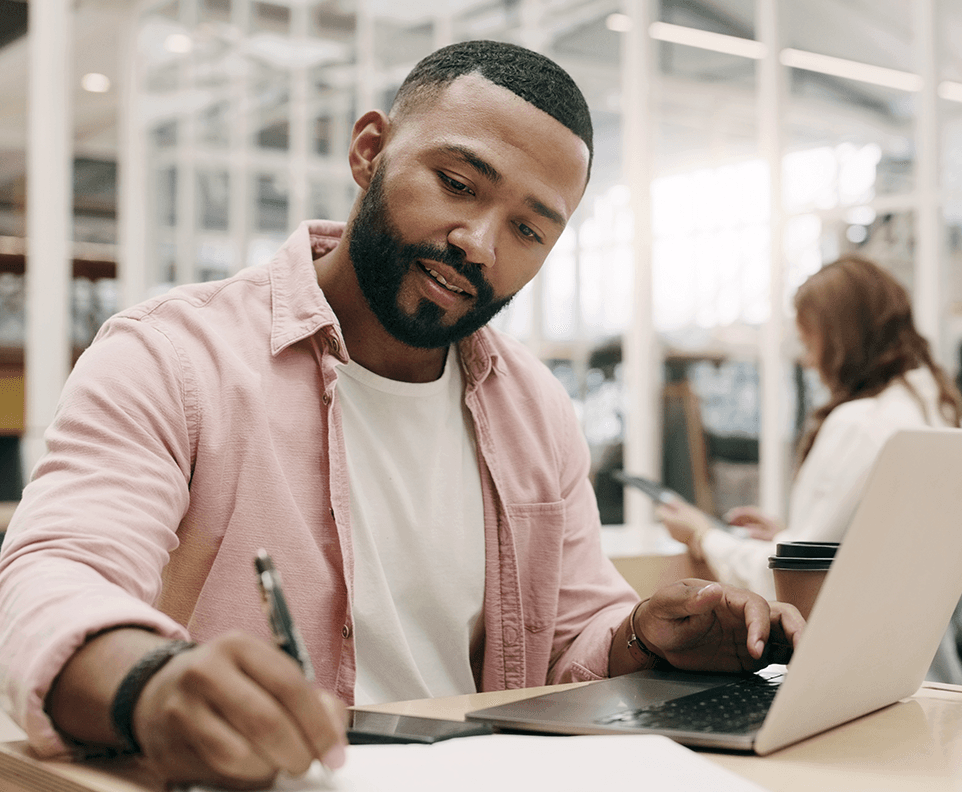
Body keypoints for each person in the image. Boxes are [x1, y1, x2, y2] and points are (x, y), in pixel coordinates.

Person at [0, 40, 802, 789]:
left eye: (528, 228)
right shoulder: (171, 356)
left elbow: (570, 638)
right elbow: (54, 579)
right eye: (458, 184)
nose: (481, 244)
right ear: (369, 151)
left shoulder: (536, 411)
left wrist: (644, 639)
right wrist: (151, 682)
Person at [658, 254, 962, 678]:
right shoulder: (932, 407)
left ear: (841, 338)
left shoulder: (861, 424)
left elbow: (798, 589)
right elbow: (878, 551)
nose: (807, 359)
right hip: (925, 667)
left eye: (809, 340)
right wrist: (790, 536)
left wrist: (703, 535)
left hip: (853, 671)